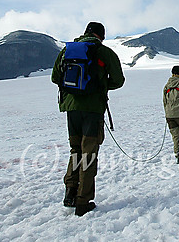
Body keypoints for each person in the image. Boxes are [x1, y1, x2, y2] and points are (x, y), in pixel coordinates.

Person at [52, 21, 125, 216]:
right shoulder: (104, 52)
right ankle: (83, 201)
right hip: (92, 110)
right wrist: (99, 86)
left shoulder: (68, 50)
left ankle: (70, 192)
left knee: (75, 150)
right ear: (101, 36)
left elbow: (54, 77)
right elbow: (118, 80)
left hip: (71, 108)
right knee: (89, 153)